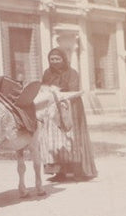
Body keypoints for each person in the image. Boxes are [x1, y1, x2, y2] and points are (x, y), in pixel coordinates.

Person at [40, 48, 97, 182]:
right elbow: (43, 88)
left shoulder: (72, 73)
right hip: (53, 111)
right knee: (54, 142)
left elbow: (73, 90)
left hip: (71, 109)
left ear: (64, 60)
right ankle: (60, 172)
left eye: (57, 59)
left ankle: (78, 171)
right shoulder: (47, 73)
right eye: (52, 59)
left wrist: (57, 92)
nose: (54, 62)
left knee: (72, 140)